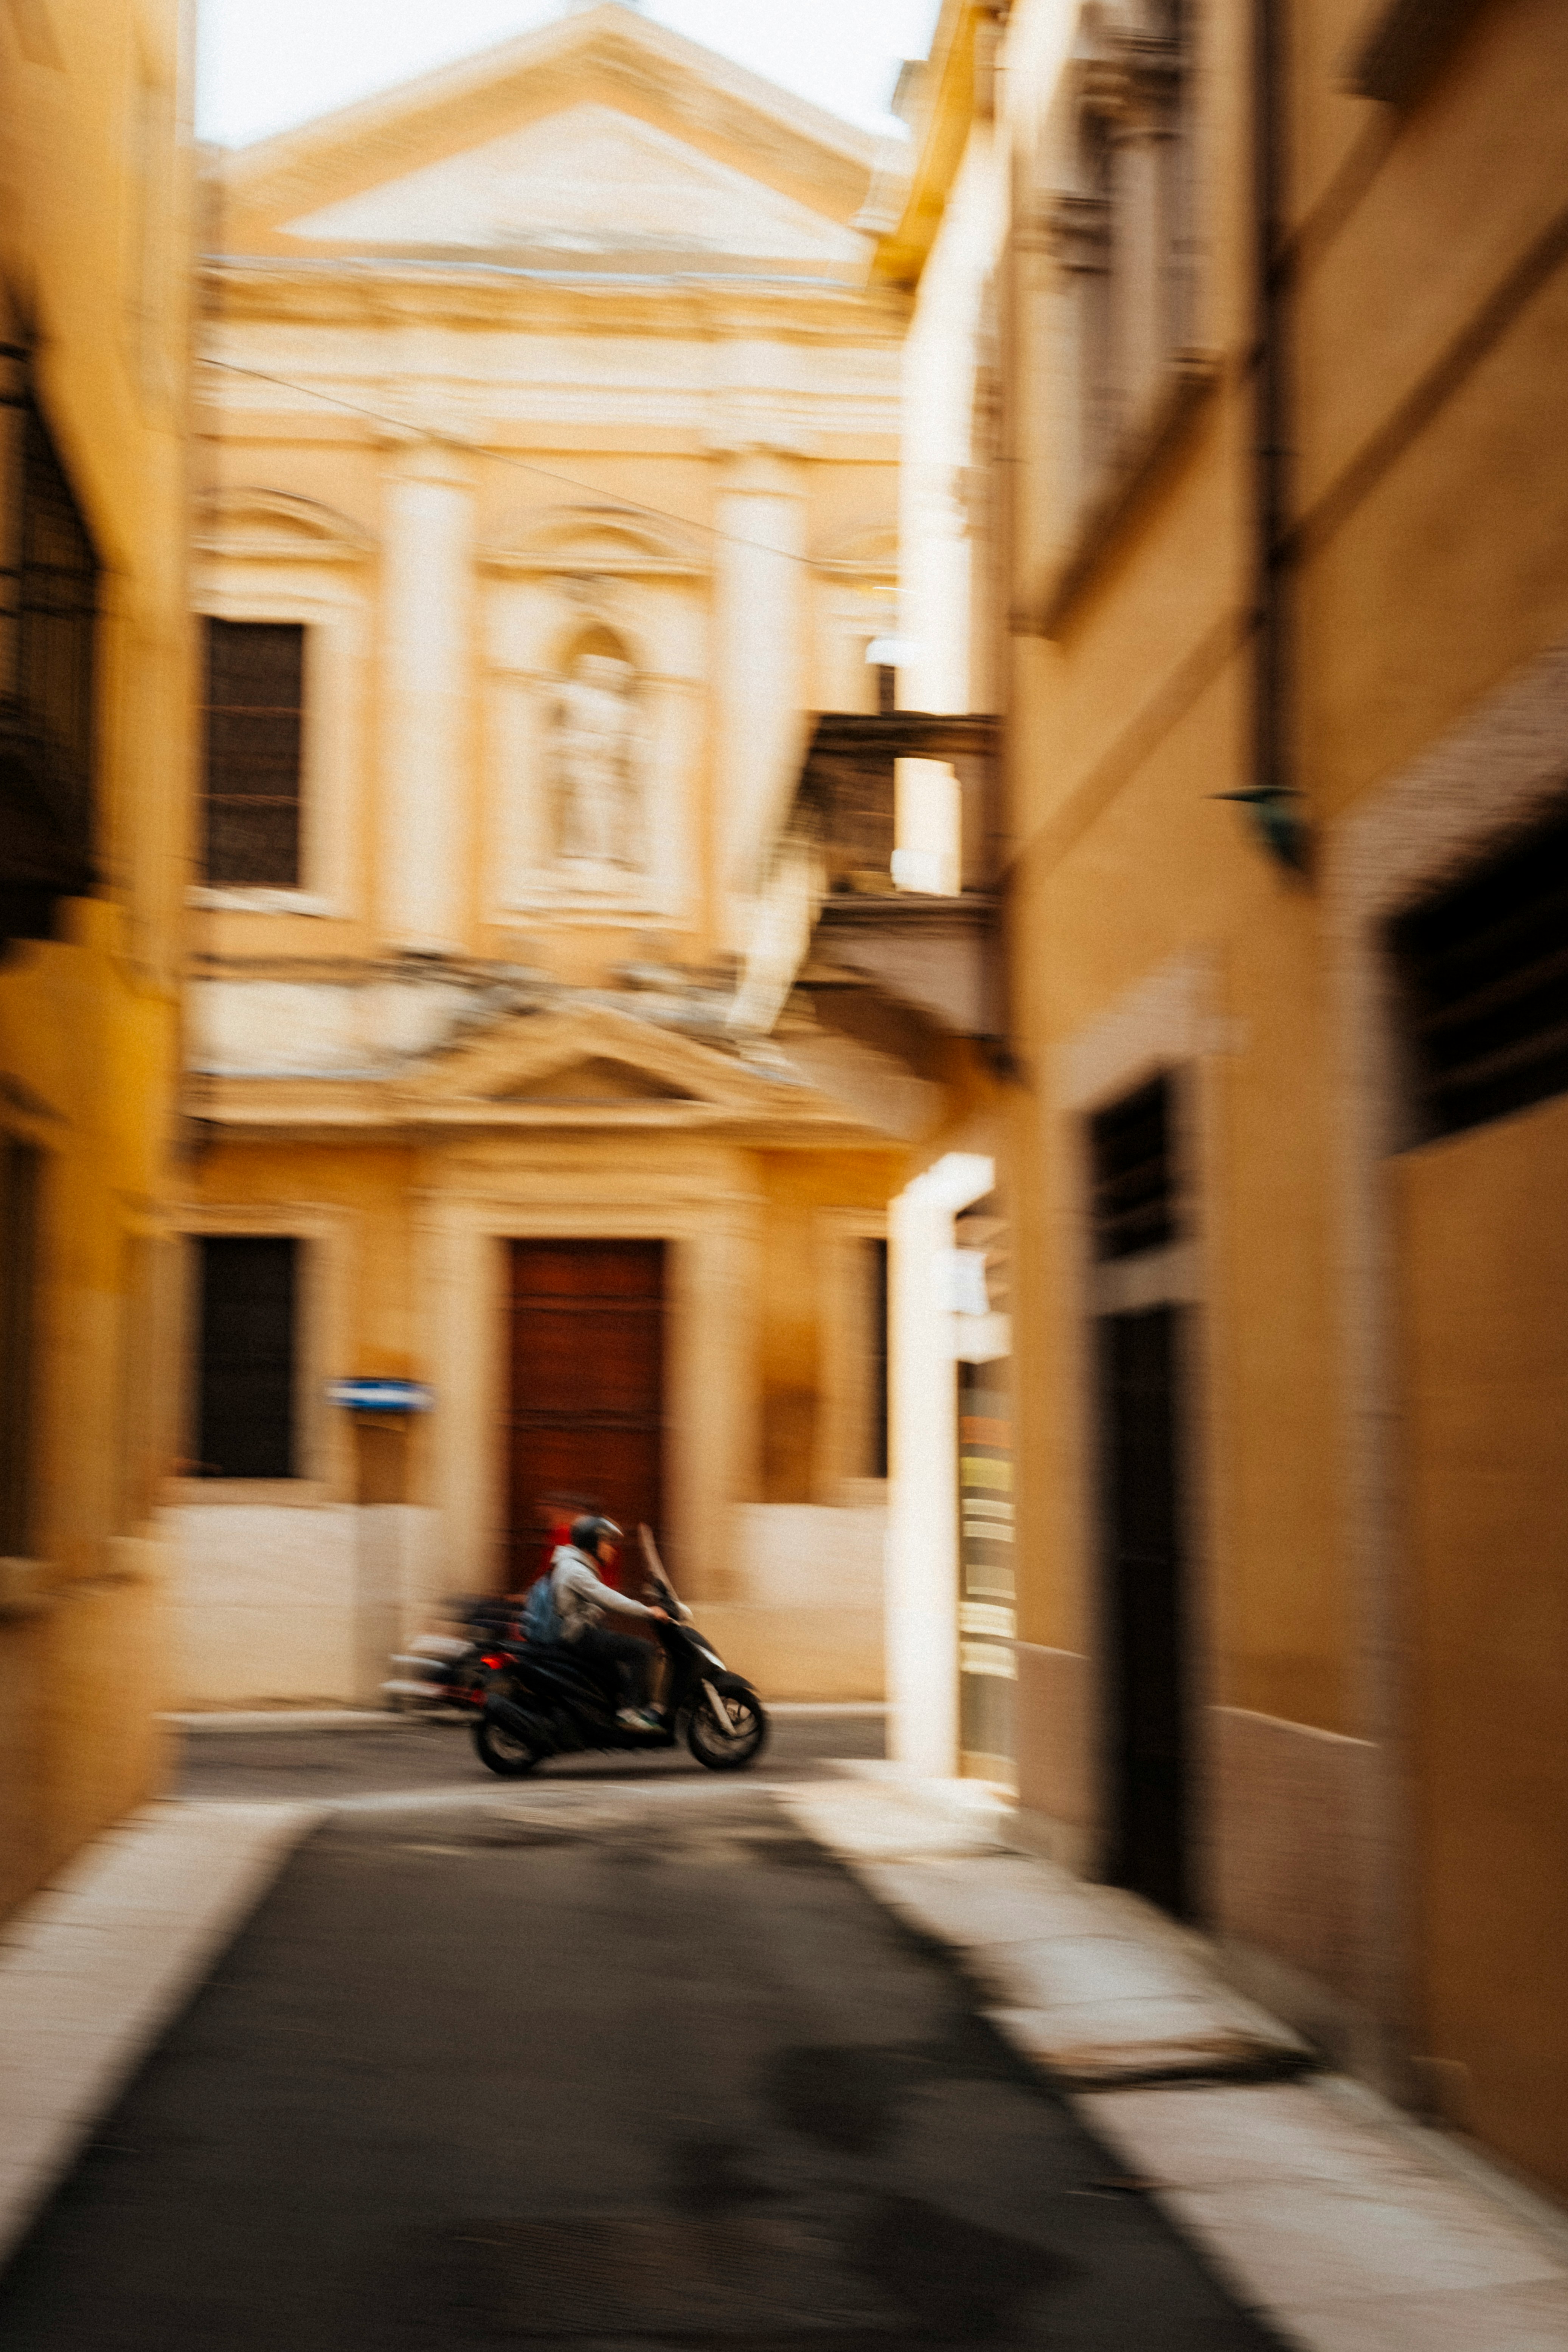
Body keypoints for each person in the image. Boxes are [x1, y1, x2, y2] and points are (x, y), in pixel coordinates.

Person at [550, 1515, 668, 1731]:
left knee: (621, 1666)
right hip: (578, 1637)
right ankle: (630, 1714)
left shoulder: (576, 1565)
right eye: (606, 1543)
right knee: (642, 1650)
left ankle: (639, 1709)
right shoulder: (575, 1571)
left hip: (582, 1632)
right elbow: (608, 1599)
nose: (611, 1549)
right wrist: (648, 1611)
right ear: (592, 1544)